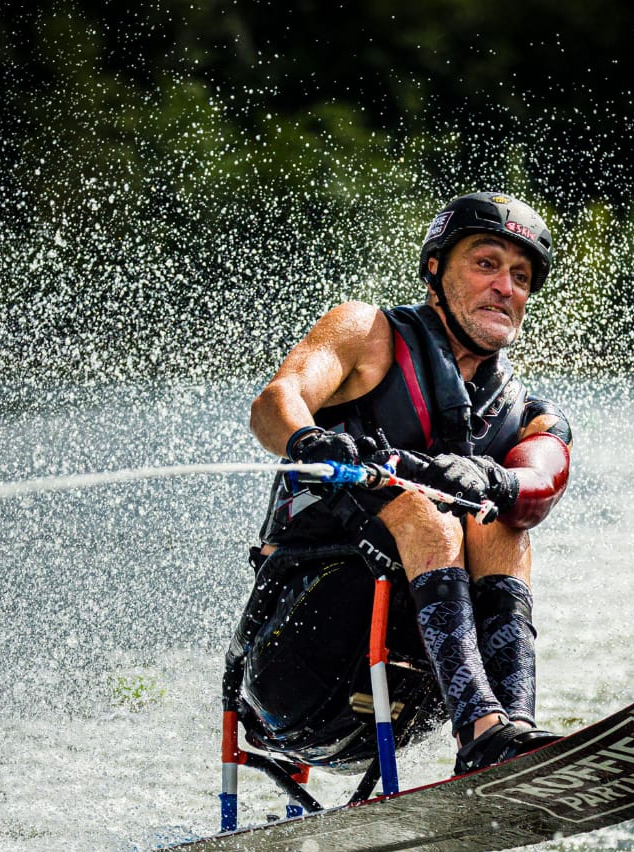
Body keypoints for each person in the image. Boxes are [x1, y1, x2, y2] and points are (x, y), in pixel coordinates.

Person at [234, 191, 574, 776]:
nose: (506, 287)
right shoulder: (366, 333)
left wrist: (492, 476)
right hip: (296, 667)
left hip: (410, 701)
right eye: (486, 264)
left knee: (502, 524)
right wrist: (308, 441)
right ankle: (484, 729)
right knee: (427, 514)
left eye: (521, 276)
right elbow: (276, 402)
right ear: (436, 269)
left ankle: (506, 737)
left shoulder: (531, 415)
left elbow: (543, 478)